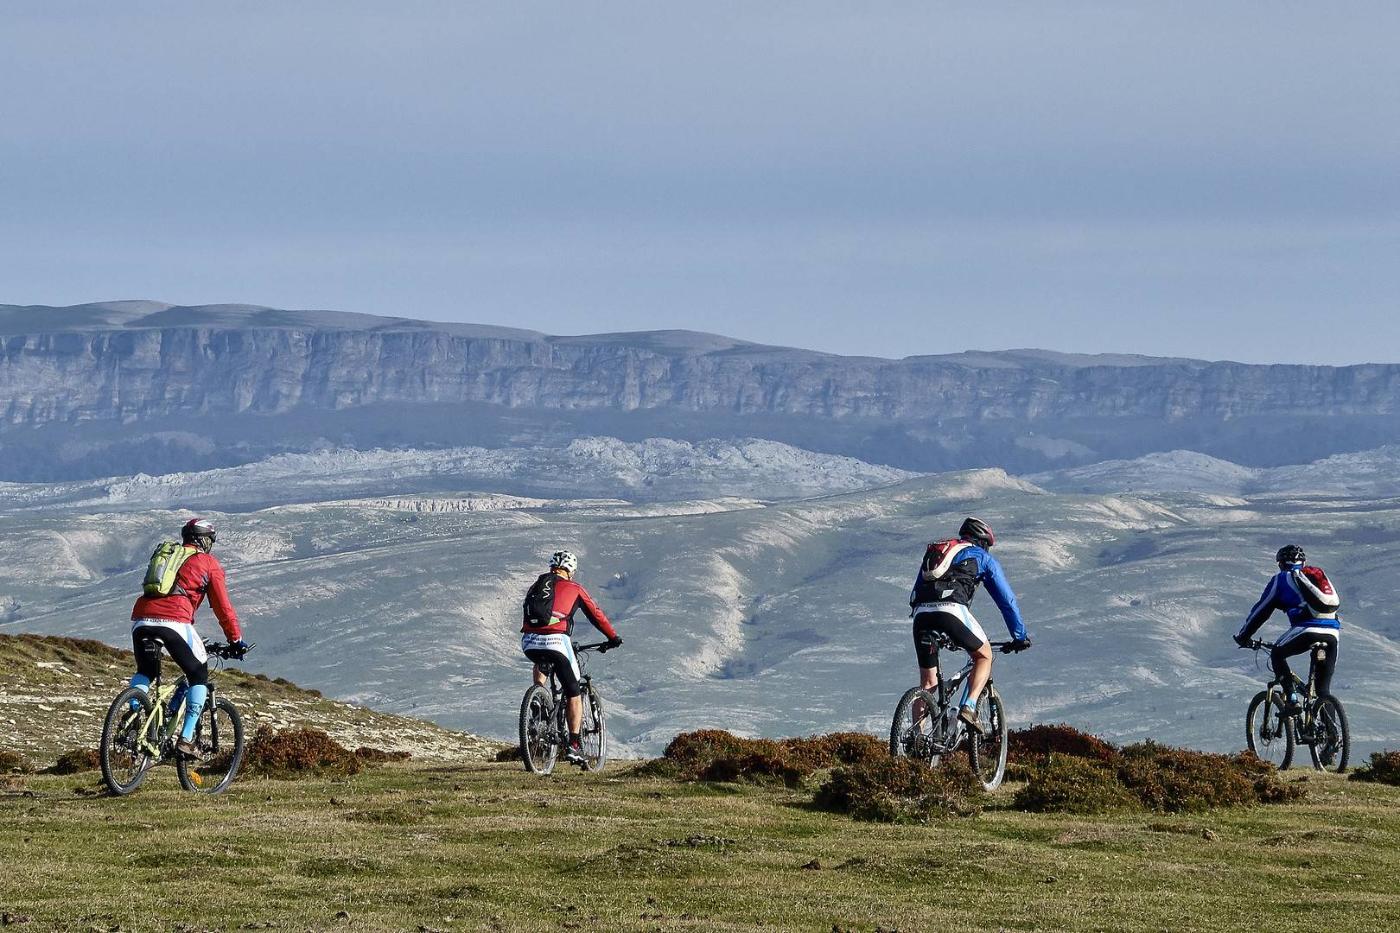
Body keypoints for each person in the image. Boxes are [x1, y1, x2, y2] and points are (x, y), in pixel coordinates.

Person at [128, 518, 248, 756]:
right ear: (205, 540)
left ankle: (133, 715)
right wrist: (235, 640)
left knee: (146, 672)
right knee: (198, 674)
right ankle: (185, 740)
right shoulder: (208, 563)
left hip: (140, 620)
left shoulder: (168, 555)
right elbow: (223, 608)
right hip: (174, 622)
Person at [909, 517, 1031, 734]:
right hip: (952, 611)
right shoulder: (981, 557)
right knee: (984, 656)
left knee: (927, 683)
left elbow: (919, 587)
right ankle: (969, 707)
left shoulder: (940, 552)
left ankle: (916, 738)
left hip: (921, 615)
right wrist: (1019, 635)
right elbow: (1007, 600)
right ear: (983, 541)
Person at [520, 550, 622, 765]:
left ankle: (538, 697)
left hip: (529, 642)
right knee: (573, 690)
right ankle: (575, 746)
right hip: (557, 641)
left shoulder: (536, 586)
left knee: (542, 660)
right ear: (571, 570)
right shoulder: (574, 588)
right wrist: (612, 637)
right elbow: (596, 615)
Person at [1234, 545, 1340, 712]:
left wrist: (1244, 636)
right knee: (1323, 692)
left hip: (1306, 630)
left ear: (1281, 564)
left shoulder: (1281, 580)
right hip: (1332, 633)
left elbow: (1261, 611)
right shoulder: (1316, 576)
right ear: (1303, 562)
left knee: (1277, 653)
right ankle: (1333, 736)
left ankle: (1292, 699)